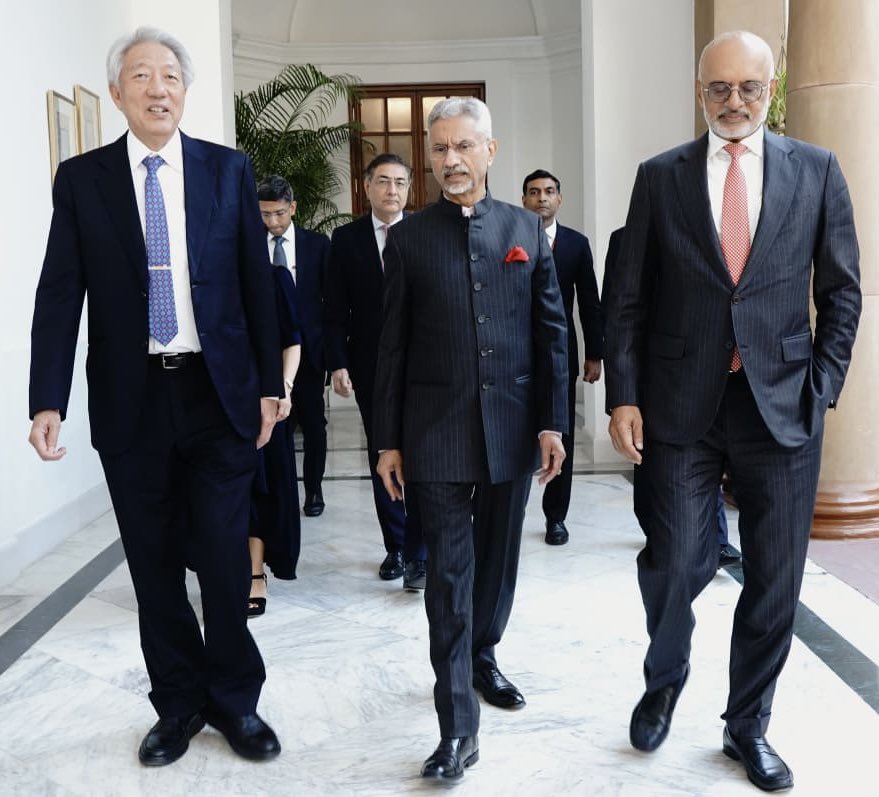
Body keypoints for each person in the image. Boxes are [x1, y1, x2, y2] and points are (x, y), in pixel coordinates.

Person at [604, 31, 860, 792]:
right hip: (681, 408)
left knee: (774, 580)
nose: (734, 101)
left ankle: (746, 725)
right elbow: (626, 299)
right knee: (675, 559)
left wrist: (824, 386)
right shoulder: (659, 178)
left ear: (770, 90)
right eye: (718, 88)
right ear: (698, 90)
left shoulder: (815, 170)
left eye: (748, 87)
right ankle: (664, 676)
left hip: (782, 407)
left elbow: (842, 291)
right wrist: (622, 393)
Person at [28, 27, 284, 766]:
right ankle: (176, 704)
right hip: (130, 400)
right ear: (117, 93)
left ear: (184, 89)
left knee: (225, 558)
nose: (157, 87)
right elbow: (58, 294)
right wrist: (48, 398)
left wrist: (269, 384)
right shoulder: (83, 180)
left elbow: (255, 286)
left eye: (169, 74)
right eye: (140, 75)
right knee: (152, 562)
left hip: (219, 393)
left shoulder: (227, 171)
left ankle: (236, 701)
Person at [373, 97, 568, 781]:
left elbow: (551, 335)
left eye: (463, 147)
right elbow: (390, 346)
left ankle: (483, 655)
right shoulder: (409, 238)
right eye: (440, 150)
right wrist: (387, 440)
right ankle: (457, 725)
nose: (450, 161)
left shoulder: (523, 229)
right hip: (435, 436)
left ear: (490, 150)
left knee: (498, 565)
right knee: (448, 580)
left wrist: (552, 421)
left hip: (512, 429)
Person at [324, 154, 427, 589]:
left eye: (400, 182)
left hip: (424, 364)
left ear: (409, 189)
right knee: (381, 451)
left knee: (422, 454)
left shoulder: (426, 232)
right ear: (366, 187)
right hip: (368, 364)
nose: (392, 190)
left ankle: (421, 553)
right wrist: (337, 363)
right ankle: (396, 547)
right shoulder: (345, 239)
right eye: (383, 181)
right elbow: (333, 308)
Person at [522, 169, 604, 545]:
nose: (542, 198)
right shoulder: (511, 236)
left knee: (561, 434)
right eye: (534, 192)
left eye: (549, 192)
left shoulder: (575, 243)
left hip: (560, 357)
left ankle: (556, 517)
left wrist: (595, 353)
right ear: (524, 199)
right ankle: (509, 512)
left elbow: (589, 300)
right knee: (515, 436)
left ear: (560, 199)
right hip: (515, 357)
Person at [257, 176, 330, 518]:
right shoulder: (251, 248)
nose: (273, 222)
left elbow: (331, 303)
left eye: (279, 213)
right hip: (269, 355)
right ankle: (279, 490)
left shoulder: (317, 245)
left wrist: (332, 354)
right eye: (265, 214)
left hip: (311, 353)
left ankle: (313, 489)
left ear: (293, 208)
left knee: (314, 424)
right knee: (276, 425)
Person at [247, 258, 302, 616]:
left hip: (265, 401)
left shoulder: (273, 276)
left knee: (262, 489)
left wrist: (284, 386)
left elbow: (291, 340)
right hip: (215, 402)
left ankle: (255, 574)